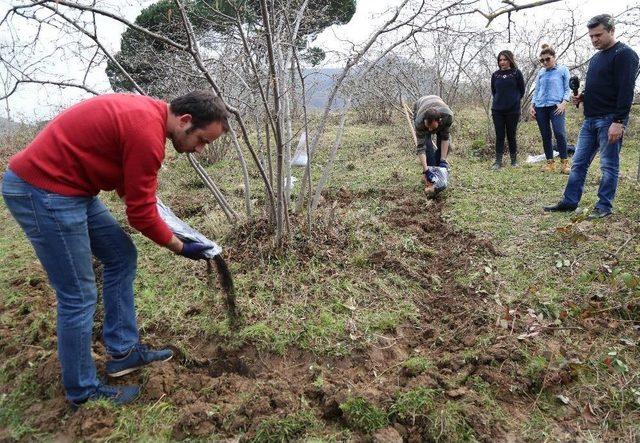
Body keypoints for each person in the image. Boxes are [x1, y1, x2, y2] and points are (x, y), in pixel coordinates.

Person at [2, 90, 232, 408]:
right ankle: (83, 392)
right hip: (43, 190)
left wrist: (177, 229)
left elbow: (133, 190)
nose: (201, 149)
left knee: (121, 255)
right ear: (186, 120)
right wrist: (180, 247)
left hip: (72, 188)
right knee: (78, 295)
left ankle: (123, 353)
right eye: (203, 140)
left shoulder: (149, 118)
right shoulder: (147, 134)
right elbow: (139, 214)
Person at [544, 14, 639, 219]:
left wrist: (619, 121)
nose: (594, 39)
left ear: (612, 30)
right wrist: (583, 97)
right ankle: (569, 202)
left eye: (598, 35)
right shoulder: (597, 57)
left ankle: (604, 206)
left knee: (608, 165)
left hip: (611, 119)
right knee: (578, 163)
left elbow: (626, 90)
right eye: (591, 36)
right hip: (590, 119)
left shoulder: (625, 54)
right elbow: (603, 86)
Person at [530, 44, 572, 174]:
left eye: (547, 59)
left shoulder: (563, 70)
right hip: (541, 107)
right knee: (545, 135)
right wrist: (532, 105)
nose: (545, 62)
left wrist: (564, 102)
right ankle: (550, 163)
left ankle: (564, 163)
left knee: (559, 133)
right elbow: (537, 90)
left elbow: (568, 88)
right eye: (542, 60)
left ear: (554, 57)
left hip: (556, 107)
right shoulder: (541, 72)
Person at [491, 50, 525, 169]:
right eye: (500, 60)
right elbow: (494, 92)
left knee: (511, 135)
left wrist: (513, 101)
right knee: (499, 135)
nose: (502, 62)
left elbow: (522, 91)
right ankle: (498, 162)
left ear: (510, 60)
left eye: (505, 59)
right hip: (497, 110)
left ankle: (514, 161)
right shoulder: (495, 75)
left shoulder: (516, 73)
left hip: (513, 110)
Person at [413, 95, 452, 194]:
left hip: (438, 102)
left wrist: (443, 160)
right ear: (424, 121)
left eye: (432, 127)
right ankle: (430, 174)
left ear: (439, 121)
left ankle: (439, 169)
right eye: (428, 127)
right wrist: (426, 170)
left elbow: (445, 138)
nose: (430, 130)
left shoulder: (448, 117)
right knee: (427, 145)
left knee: (447, 146)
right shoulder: (420, 123)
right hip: (420, 105)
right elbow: (421, 148)